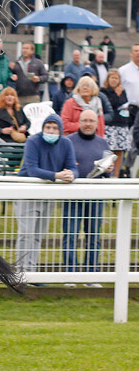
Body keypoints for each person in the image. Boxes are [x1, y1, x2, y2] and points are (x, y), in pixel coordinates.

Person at [15, 114, 77, 274]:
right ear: (42, 128)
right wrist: (57, 176)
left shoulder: (66, 143)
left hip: (48, 194)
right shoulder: (33, 141)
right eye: (48, 127)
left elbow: (72, 166)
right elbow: (32, 169)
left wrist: (71, 175)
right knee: (26, 234)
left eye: (55, 128)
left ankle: (32, 272)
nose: (51, 130)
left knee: (37, 235)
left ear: (60, 130)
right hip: (27, 193)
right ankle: (21, 272)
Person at [63, 110, 111, 275]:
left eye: (91, 121)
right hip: (72, 195)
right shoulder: (68, 141)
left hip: (95, 196)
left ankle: (92, 274)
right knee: (70, 235)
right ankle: (70, 274)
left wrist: (109, 169)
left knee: (93, 236)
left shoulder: (103, 143)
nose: (88, 124)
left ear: (97, 123)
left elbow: (108, 172)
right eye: (84, 121)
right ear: (79, 122)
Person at [100, 70, 132, 178]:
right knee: (109, 151)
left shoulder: (122, 91)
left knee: (119, 152)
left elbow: (125, 104)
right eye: (112, 78)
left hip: (121, 125)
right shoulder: (103, 91)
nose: (114, 80)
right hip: (109, 125)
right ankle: (106, 175)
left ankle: (116, 176)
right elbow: (112, 104)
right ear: (108, 79)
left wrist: (119, 95)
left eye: (116, 78)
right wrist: (116, 95)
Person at [11, 41, 47, 107]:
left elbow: (45, 76)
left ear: (32, 51)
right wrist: (11, 75)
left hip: (33, 97)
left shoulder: (38, 63)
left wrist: (38, 79)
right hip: (19, 97)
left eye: (27, 48)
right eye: (23, 48)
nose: (24, 50)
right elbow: (10, 76)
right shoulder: (17, 63)